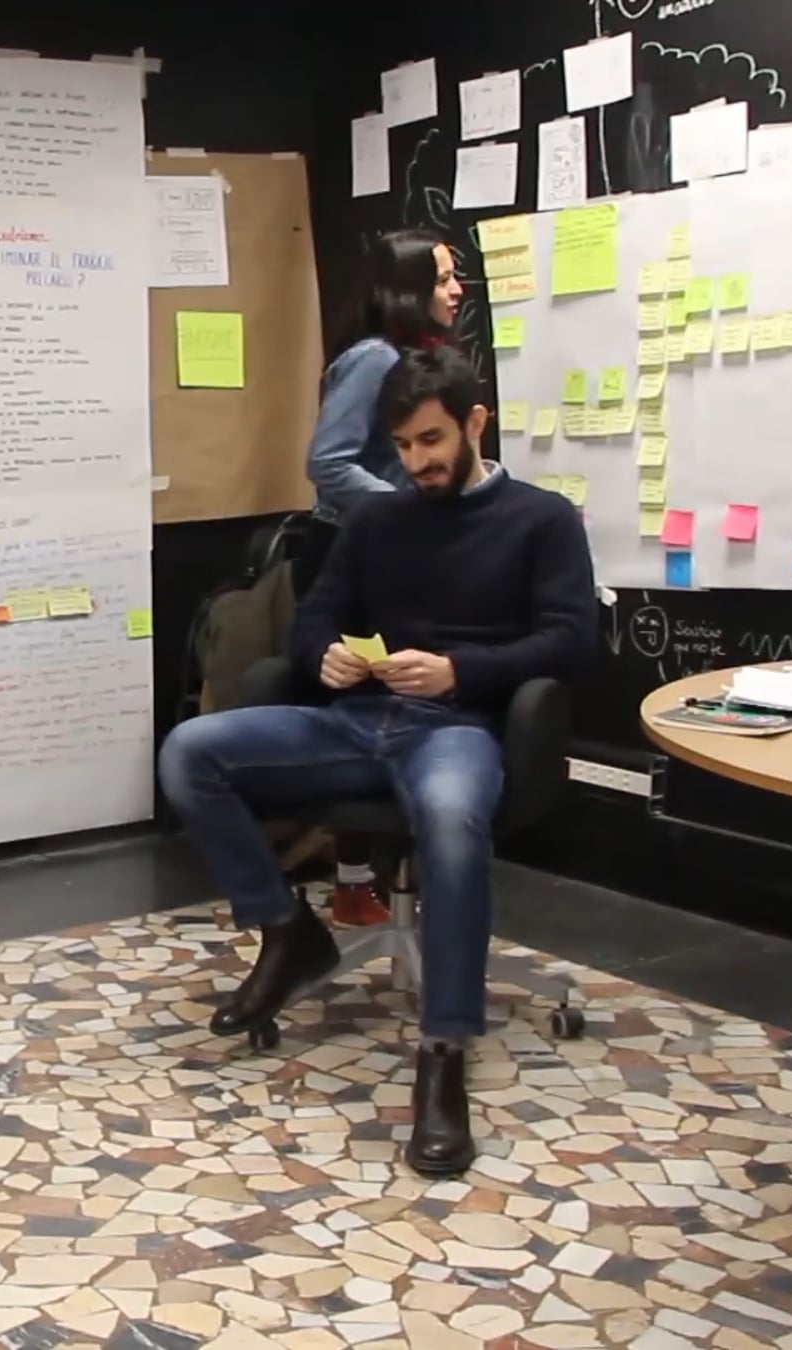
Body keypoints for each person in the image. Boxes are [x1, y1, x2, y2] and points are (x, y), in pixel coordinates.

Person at [159, 347, 595, 1176]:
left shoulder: (541, 520)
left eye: (431, 440)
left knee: (451, 821)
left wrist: (460, 671)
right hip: (357, 720)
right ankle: (288, 932)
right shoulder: (378, 521)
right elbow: (315, 619)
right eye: (401, 446)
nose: (416, 462)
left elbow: (572, 643)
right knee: (190, 753)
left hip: (455, 727)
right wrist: (323, 654)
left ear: (474, 422)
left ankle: (444, 1053)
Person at [299, 229, 464, 928]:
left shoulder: (423, 358)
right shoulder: (375, 359)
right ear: (407, 288)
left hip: (401, 552)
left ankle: (398, 879)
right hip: (352, 552)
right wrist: (407, 506)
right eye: (444, 278)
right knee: (363, 705)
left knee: (413, 697)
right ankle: (354, 881)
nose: (456, 290)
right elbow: (328, 463)